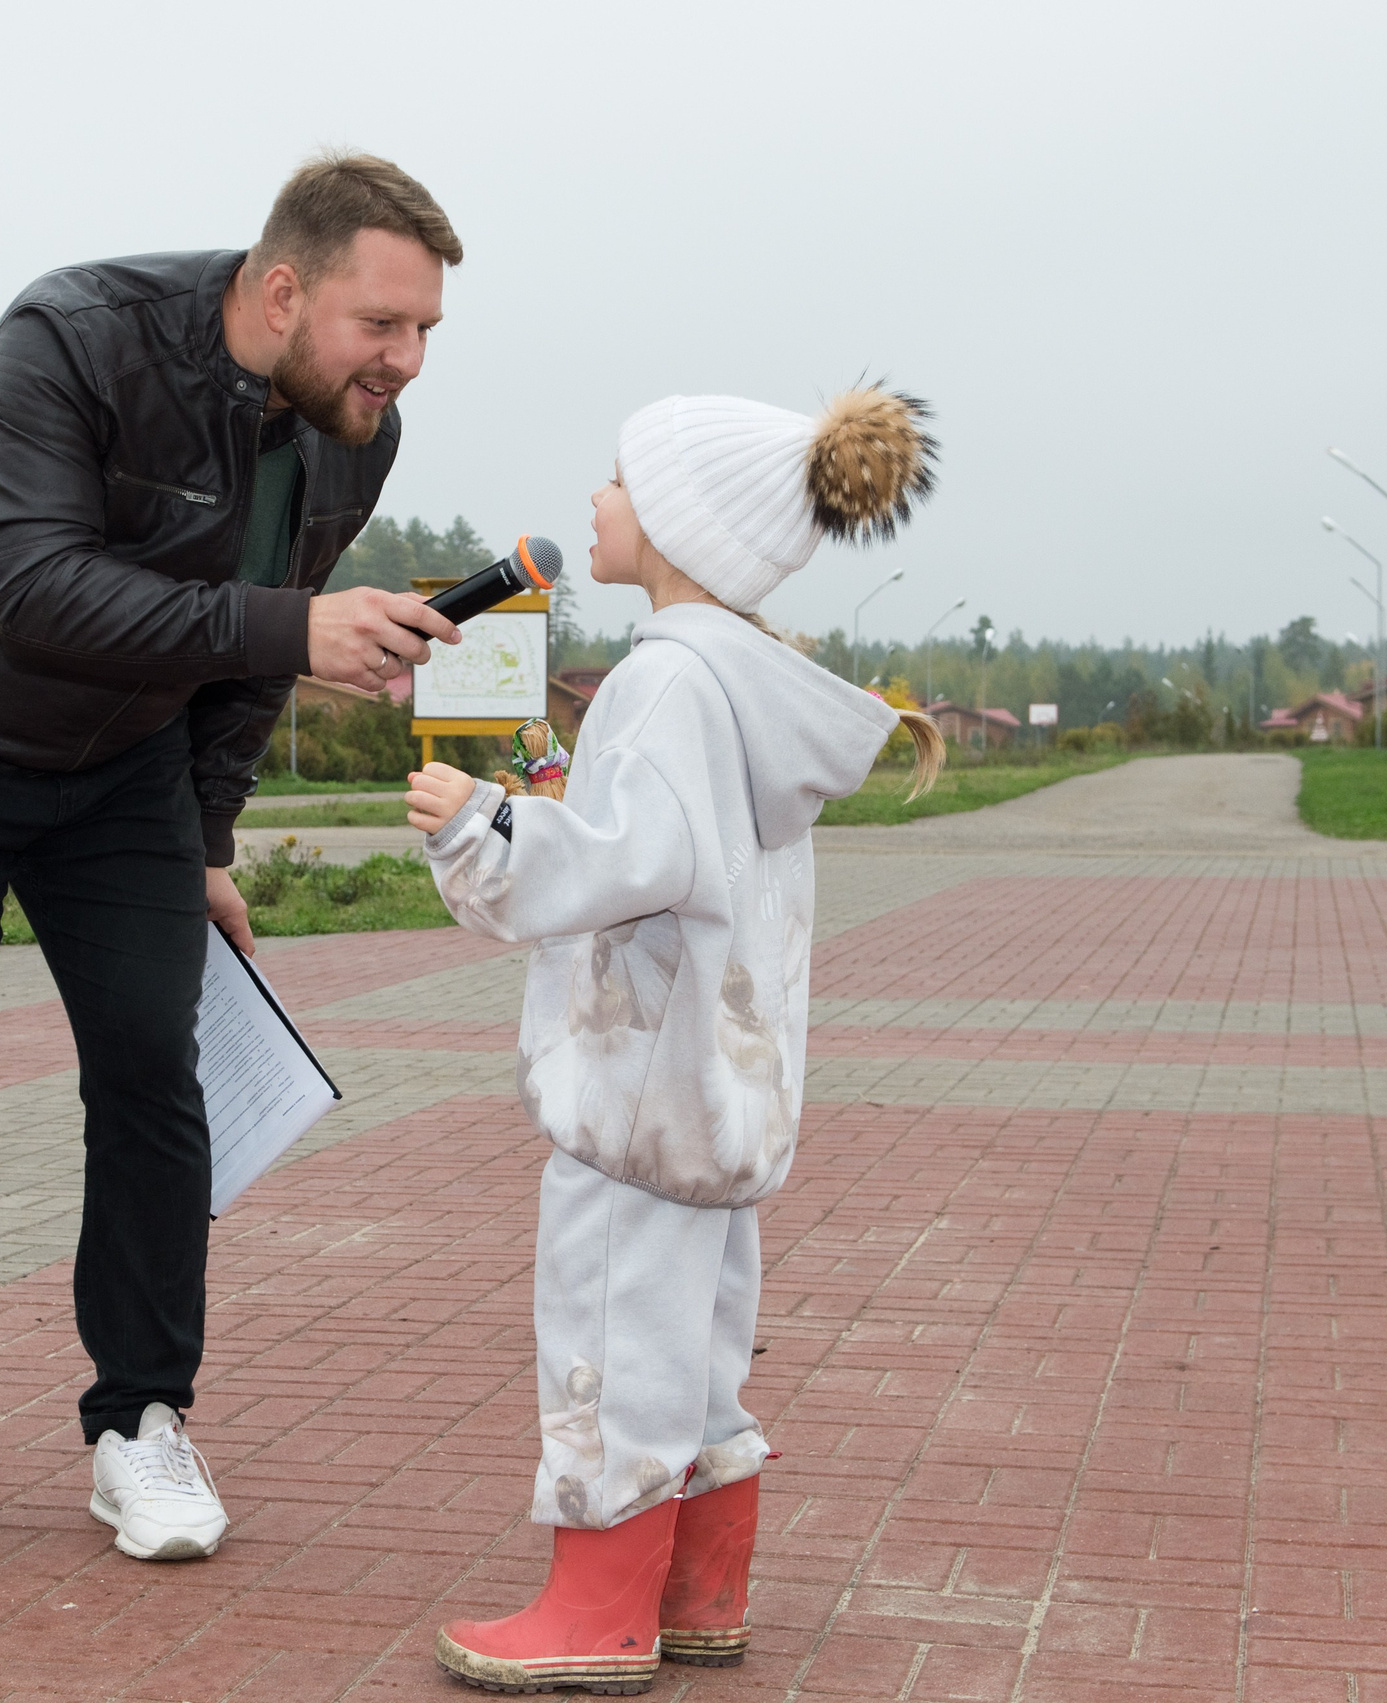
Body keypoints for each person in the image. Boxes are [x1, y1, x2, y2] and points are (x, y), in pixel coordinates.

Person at [0, 152, 465, 1571]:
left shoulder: (352, 432)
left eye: (424, 331)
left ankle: (141, 1420)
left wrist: (206, 838)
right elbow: (35, 585)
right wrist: (291, 627)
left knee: (155, 1069)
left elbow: (245, 666)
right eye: (380, 324)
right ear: (281, 291)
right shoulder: (73, 336)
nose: (404, 361)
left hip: (119, 772)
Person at [406, 389, 943, 1691]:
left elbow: (624, 864)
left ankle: (597, 1608)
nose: (596, 498)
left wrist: (478, 824)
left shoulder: (660, 678)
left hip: (636, 1094)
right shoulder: (744, 684)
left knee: (607, 1329)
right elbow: (679, 854)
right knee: (694, 1343)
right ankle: (701, 1586)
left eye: (618, 478)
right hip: (717, 1091)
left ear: (677, 520)